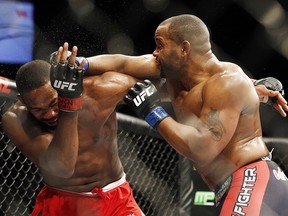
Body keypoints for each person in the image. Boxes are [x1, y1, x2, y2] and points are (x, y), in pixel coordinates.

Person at [79, 14, 288, 215]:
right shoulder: (174, 73)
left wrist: (152, 111)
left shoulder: (227, 82)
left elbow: (201, 149)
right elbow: (123, 63)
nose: (154, 53)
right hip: (236, 186)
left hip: (252, 179)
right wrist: (80, 63)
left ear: (184, 48)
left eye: (160, 45)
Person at [1, 42, 145, 216]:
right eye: (38, 110)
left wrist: (89, 63)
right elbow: (63, 166)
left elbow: (161, 84)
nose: (50, 114)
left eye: (54, 103)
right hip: (64, 205)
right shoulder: (16, 120)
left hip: (117, 200)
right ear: (22, 101)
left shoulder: (99, 90)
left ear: (60, 85)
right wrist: (69, 102)